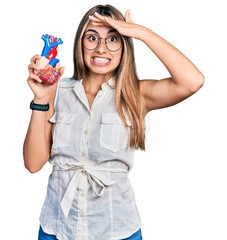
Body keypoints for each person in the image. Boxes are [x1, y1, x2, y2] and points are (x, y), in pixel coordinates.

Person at [23, 4, 205, 240]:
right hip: (58, 228)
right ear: (80, 43)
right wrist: (41, 99)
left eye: (113, 39)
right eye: (92, 38)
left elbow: (193, 81)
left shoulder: (135, 94)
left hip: (117, 230)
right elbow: (33, 164)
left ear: (124, 45)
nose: (101, 48)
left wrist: (141, 33)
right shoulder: (57, 89)